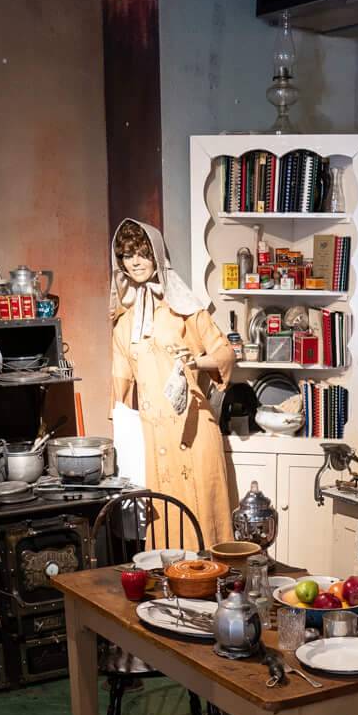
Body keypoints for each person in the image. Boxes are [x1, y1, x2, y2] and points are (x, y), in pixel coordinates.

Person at [105, 217, 236, 543]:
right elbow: (120, 378)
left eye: (142, 253)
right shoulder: (124, 322)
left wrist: (197, 360)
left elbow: (225, 354)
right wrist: (120, 431)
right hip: (153, 436)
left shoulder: (185, 309)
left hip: (193, 427)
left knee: (202, 514)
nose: (134, 261)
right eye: (127, 254)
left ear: (158, 255)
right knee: (166, 520)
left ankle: (211, 584)